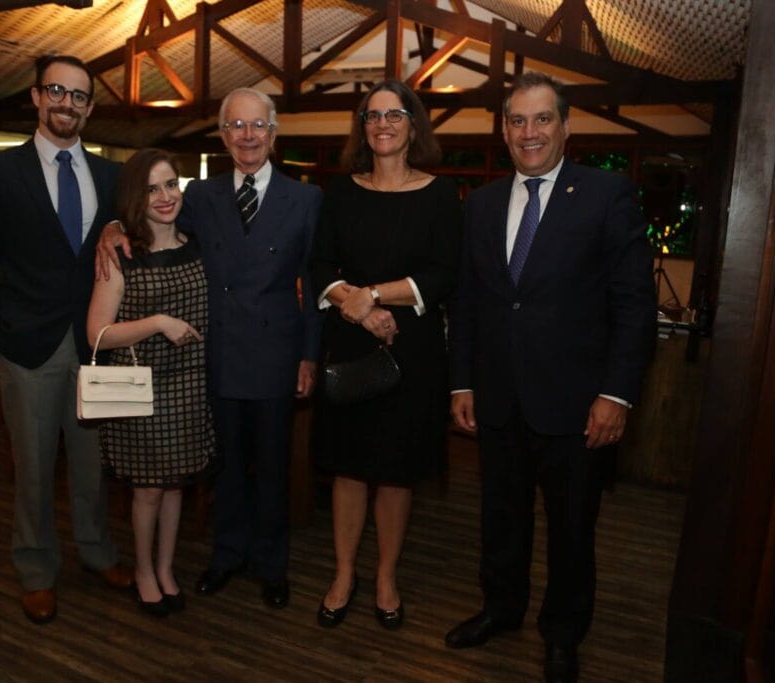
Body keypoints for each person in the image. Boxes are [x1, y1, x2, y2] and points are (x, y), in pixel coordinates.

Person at [444, 72, 655, 683]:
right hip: (499, 401)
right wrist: (461, 383)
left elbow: (634, 304)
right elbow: (470, 301)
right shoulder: (482, 204)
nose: (529, 132)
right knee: (500, 519)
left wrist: (616, 394)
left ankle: (563, 634)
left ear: (566, 127)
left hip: (578, 405)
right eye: (517, 121)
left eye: (542, 119)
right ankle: (501, 609)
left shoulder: (607, 194)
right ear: (503, 130)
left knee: (571, 531)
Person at [97, 87, 323, 609]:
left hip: (276, 354)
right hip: (214, 355)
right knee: (224, 466)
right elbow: (150, 221)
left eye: (258, 125)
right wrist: (112, 226)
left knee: (273, 468)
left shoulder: (306, 199)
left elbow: (313, 285)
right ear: (223, 135)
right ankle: (227, 555)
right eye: (236, 126)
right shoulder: (200, 195)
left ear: (273, 133)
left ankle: (271, 564)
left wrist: (309, 355)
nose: (247, 135)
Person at [0, 54, 132, 625]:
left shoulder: (110, 176)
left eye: (79, 96)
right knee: (32, 469)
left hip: (94, 345)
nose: (67, 103)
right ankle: (35, 569)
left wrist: (119, 225)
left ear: (89, 108)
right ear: (36, 96)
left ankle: (97, 552)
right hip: (25, 346)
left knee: (92, 465)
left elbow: (133, 239)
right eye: (57, 91)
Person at [309, 79, 461, 631]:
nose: (382, 125)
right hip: (351, 347)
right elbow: (319, 265)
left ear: (413, 125)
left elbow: (444, 274)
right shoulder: (340, 192)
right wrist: (358, 306)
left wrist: (373, 294)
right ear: (362, 128)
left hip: (412, 351)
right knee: (350, 470)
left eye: (394, 115)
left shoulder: (441, 194)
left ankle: (386, 577)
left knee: (397, 473)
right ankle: (344, 574)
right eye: (372, 116)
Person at [87, 148, 218, 617]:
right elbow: (97, 334)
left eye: (170, 184)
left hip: (190, 387)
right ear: (134, 198)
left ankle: (165, 569)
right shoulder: (121, 254)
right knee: (147, 490)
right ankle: (144, 570)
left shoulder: (198, 243)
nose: (165, 196)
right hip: (142, 390)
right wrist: (158, 322)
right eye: (151, 189)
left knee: (176, 485)